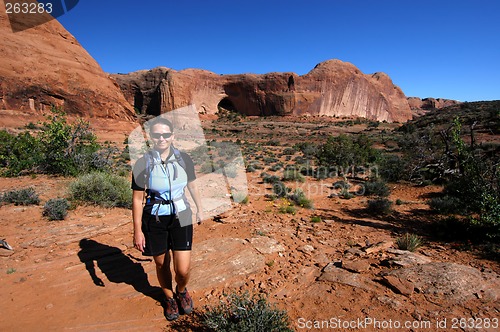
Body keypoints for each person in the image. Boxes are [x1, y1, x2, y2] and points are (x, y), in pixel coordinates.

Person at [131, 117, 203, 321]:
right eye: (156, 135)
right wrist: (137, 231)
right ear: (151, 137)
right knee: (162, 264)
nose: (161, 138)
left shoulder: (184, 159)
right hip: (155, 218)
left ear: (172, 136)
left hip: (182, 214)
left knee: (183, 269)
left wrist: (199, 208)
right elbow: (137, 199)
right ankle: (170, 298)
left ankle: (181, 290)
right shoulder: (142, 163)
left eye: (165, 134)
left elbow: (193, 185)